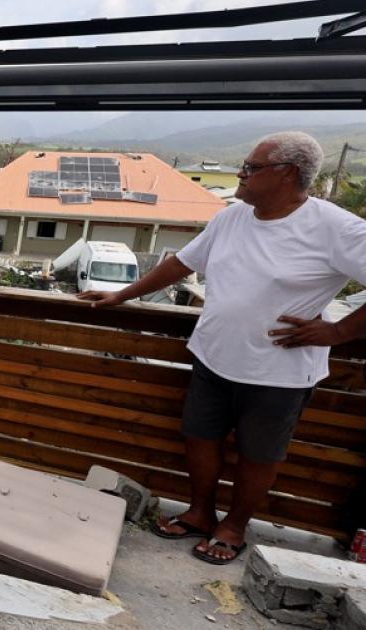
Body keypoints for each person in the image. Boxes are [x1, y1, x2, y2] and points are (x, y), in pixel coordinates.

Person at [78, 131, 366, 565]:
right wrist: (123, 295)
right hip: (214, 356)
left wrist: (339, 333)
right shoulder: (232, 217)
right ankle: (200, 512)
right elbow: (183, 263)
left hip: (278, 371)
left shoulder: (336, 228)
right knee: (200, 437)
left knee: (258, 455)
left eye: (251, 167)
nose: (241, 173)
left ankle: (234, 526)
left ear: (287, 174)